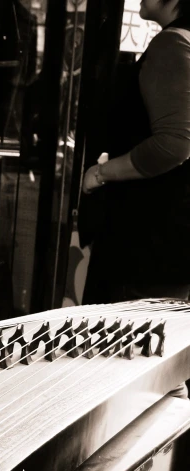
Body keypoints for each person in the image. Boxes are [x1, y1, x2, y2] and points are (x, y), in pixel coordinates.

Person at [81, 0, 190, 305]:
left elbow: (175, 144)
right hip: (173, 240)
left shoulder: (172, 45)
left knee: (115, 344)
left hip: (146, 239)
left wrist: (101, 173)